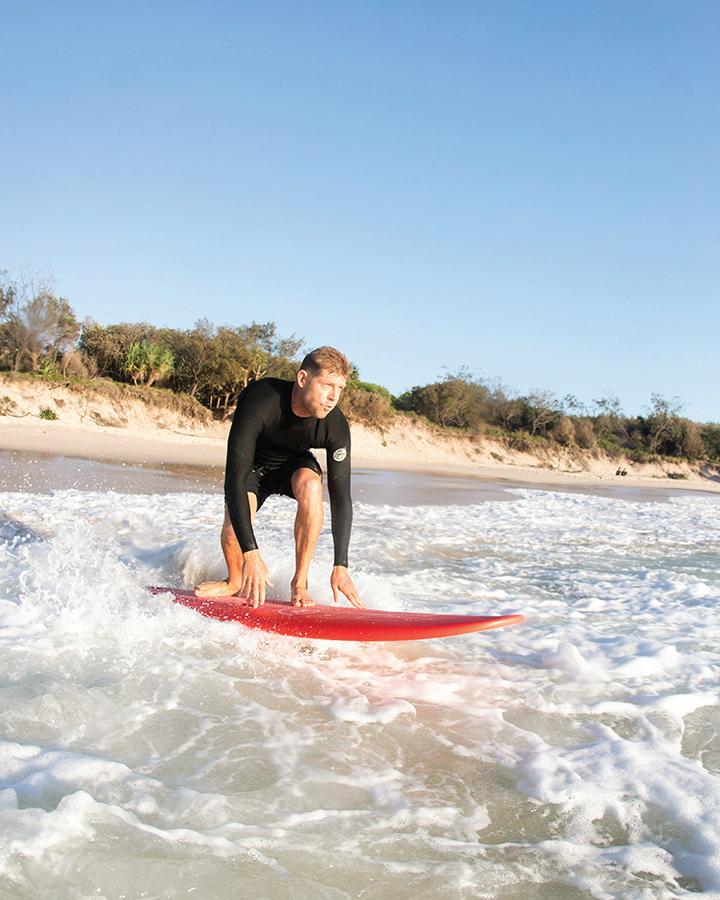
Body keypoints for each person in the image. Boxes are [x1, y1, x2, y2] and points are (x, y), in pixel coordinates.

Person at [195, 346, 363, 610]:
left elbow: (341, 498)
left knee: (311, 484)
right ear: (303, 379)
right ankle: (234, 581)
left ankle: (300, 583)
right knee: (232, 532)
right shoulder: (261, 399)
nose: (333, 397)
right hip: (253, 467)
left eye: (340, 388)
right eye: (327, 386)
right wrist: (251, 554)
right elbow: (234, 481)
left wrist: (340, 565)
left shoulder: (335, 425)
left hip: (292, 465)